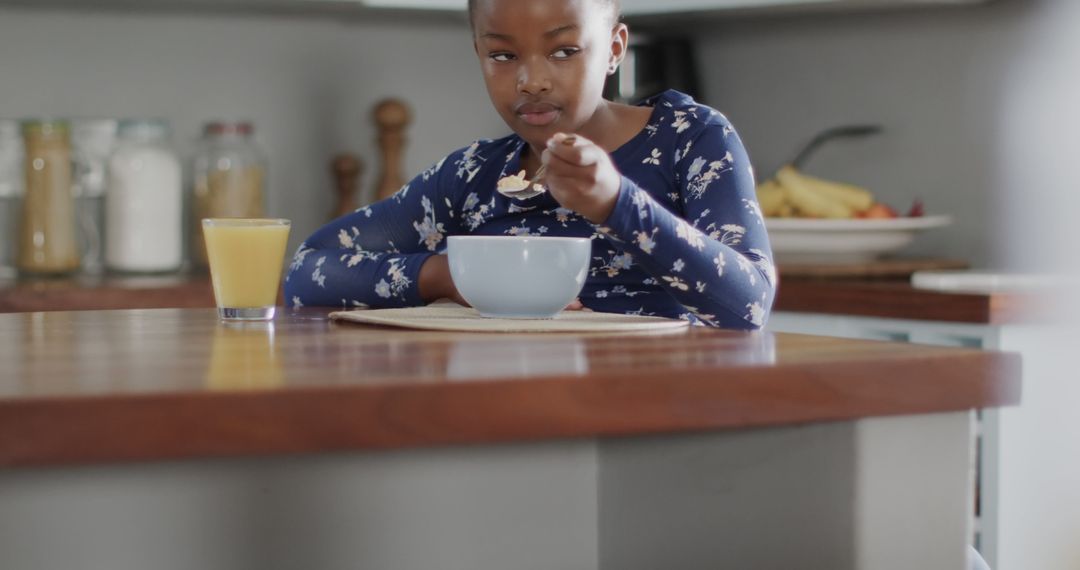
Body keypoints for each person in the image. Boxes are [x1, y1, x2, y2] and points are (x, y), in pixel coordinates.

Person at [284, 0, 776, 329]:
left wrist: (616, 205)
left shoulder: (689, 138)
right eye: (502, 55)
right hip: (508, 416)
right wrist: (447, 278)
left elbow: (749, 304)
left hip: (650, 416)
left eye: (564, 50)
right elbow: (306, 274)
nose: (531, 80)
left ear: (615, 49)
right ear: (478, 52)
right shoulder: (471, 175)